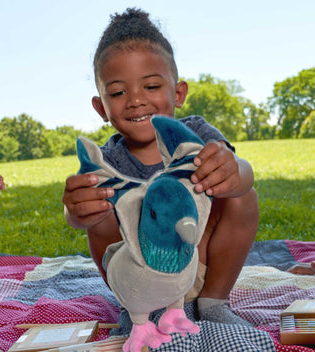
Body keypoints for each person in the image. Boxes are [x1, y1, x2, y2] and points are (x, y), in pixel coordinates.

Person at [63, 8, 259, 326]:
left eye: (151, 86)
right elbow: (82, 217)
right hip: (142, 278)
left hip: (201, 264)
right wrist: (76, 212)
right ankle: (138, 311)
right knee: (99, 212)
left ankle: (214, 304)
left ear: (178, 93)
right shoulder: (107, 160)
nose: (136, 100)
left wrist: (234, 170)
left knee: (241, 193)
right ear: (101, 107)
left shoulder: (196, 135)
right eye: (118, 92)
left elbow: (242, 172)